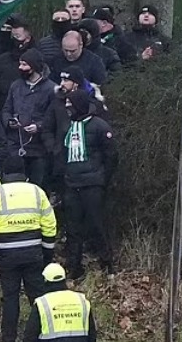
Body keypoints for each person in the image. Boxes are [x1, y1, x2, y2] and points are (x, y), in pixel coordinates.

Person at [0, 154, 58, 342]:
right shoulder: (37, 191)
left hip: (6, 255)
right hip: (33, 253)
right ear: (24, 172)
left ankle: (8, 336)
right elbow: (50, 225)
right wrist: (47, 254)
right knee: (37, 296)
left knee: (10, 297)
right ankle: (44, 333)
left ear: (4, 172)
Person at [44, 89, 118, 279]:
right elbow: (61, 153)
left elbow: (111, 155)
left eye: (71, 104)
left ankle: (107, 264)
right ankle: (74, 267)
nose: (67, 108)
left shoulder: (99, 125)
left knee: (96, 224)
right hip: (71, 184)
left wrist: (102, 179)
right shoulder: (67, 127)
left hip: (93, 183)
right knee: (73, 228)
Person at [1, 49, 57, 186]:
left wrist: (39, 126)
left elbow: (54, 117)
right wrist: (9, 121)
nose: (20, 68)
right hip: (15, 146)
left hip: (39, 149)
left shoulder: (51, 89)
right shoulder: (15, 85)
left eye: (24, 65)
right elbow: (6, 109)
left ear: (34, 66)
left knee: (37, 185)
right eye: (20, 64)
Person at [21, 263, 98, 342]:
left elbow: (29, 337)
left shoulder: (42, 304)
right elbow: (92, 335)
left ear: (45, 280)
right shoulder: (82, 300)